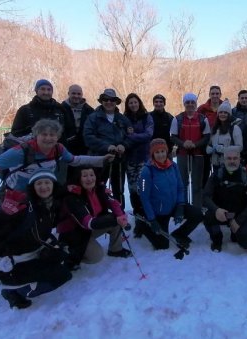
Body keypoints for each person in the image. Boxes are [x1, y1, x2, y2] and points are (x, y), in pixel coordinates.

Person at [0, 119, 112, 209]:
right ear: (36, 135)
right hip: (14, 198)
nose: (49, 138)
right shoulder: (20, 152)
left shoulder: (58, 149)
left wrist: (101, 160)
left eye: (53, 135)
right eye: (44, 134)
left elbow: (76, 160)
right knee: (11, 231)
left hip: (41, 197)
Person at [0, 169, 72, 309]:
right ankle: (13, 291)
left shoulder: (50, 204)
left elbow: (43, 233)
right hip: (18, 258)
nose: (44, 187)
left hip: (33, 250)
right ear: (32, 187)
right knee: (59, 276)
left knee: (62, 270)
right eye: (39, 183)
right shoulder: (27, 207)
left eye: (47, 182)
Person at [58, 166, 132, 269]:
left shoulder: (98, 189)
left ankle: (115, 249)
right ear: (78, 178)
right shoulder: (73, 197)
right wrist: (114, 219)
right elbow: (88, 223)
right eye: (85, 176)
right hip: (76, 233)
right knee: (96, 257)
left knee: (116, 219)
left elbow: (113, 202)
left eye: (92, 175)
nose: (89, 179)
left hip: (91, 228)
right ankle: (71, 256)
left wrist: (120, 216)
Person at [138, 139, 203, 249]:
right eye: (157, 152)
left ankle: (179, 234)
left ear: (166, 151)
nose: (160, 155)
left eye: (162, 151)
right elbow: (144, 198)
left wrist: (180, 207)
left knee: (197, 214)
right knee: (162, 246)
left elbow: (180, 188)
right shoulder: (147, 171)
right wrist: (152, 219)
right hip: (159, 212)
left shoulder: (173, 166)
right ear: (152, 154)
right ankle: (144, 226)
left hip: (173, 206)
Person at [84, 88, 132, 209]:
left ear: (116, 102)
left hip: (119, 160)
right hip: (99, 160)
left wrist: (124, 145)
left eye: (112, 100)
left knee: (118, 190)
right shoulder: (93, 118)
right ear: (101, 101)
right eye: (106, 99)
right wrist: (106, 146)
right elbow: (88, 137)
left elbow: (130, 136)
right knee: (98, 188)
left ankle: (120, 217)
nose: (109, 102)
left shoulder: (123, 119)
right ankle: (99, 215)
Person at [203, 146, 247, 252]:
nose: (232, 161)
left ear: (239, 159)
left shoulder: (246, 176)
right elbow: (206, 196)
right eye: (229, 158)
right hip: (221, 213)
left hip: (239, 214)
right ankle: (217, 239)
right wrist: (216, 209)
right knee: (208, 217)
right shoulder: (217, 175)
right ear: (224, 159)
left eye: (235, 158)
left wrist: (239, 221)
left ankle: (235, 232)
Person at [170, 92, 211, 210]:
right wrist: (183, 144)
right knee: (183, 182)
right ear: (184, 104)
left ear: (196, 103)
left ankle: (196, 209)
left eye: (192, 102)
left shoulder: (203, 119)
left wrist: (195, 144)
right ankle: (184, 208)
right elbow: (173, 136)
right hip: (182, 154)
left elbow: (206, 136)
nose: (190, 105)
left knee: (197, 184)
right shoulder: (177, 119)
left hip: (198, 154)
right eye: (187, 102)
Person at [11, 79, 75, 146]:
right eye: (43, 89)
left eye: (49, 89)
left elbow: (69, 131)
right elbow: (15, 133)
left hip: (57, 151)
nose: (46, 92)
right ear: (36, 91)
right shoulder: (25, 110)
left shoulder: (60, 109)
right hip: (32, 152)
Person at [123, 93, 154, 230]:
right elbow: (122, 136)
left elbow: (148, 135)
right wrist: (133, 137)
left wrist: (132, 136)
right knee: (132, 189)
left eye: (135, 102)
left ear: (139, 103)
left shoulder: (147, 117)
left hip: (143, 158)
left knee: (143, 187)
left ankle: (148, 216)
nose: (133, 105)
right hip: (130, 159)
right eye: (130, 103)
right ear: (127, 105)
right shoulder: (124, 119)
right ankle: (138, 217)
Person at [206, 99, 243, 173]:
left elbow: (240, 147)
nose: (223, 114)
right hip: (216, 165)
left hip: (230, 165)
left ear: (229, 115)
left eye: (225, 113)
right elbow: (210, 144)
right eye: (221, 112)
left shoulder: (234, 128)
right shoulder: (215, 129)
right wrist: (209, 149)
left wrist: (223, 149)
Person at [197, 85, 223, 187]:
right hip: (205, 144)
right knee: (205, 173)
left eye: (217, 93)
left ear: (220, 94)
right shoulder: (202, 109)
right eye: (213, 93)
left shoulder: (225, 107)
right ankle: (204, 197)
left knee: (219, 172)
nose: (215, 95)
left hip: (221, 143)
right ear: (209, 94)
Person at [61, 84, 94, 156]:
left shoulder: (89, 110)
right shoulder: (61, 109)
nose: (76, 96)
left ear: (82, 95)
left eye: (79, 94)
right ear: (68, 94)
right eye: (73, 93)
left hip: (85, 148)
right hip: (66, 148)